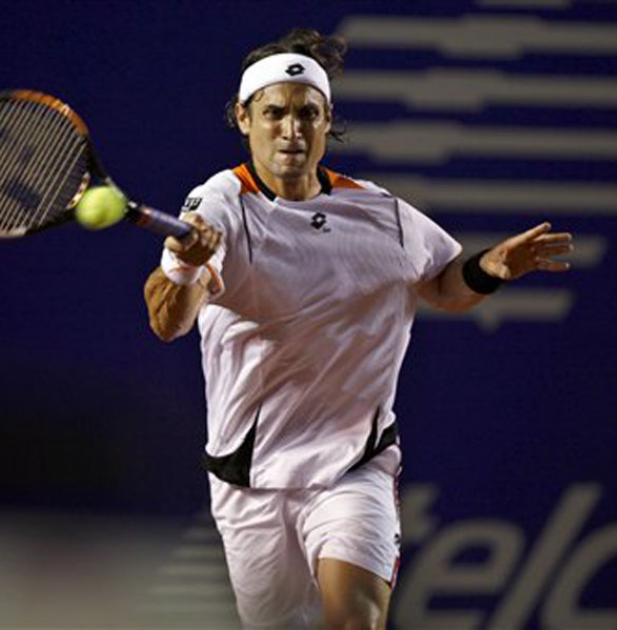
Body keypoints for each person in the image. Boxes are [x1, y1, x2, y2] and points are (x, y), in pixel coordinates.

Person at [143, 28, 573, 630]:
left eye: (305, 114)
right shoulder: (219, 205)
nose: (290, 130)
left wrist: (492, 268)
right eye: (273, 114)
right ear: (243, 119)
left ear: (327, 122)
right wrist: (184, 264)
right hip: (250, 482)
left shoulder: (382, 214)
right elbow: (171, 321)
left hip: (354, 465)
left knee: (353, 622)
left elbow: (445, 283)